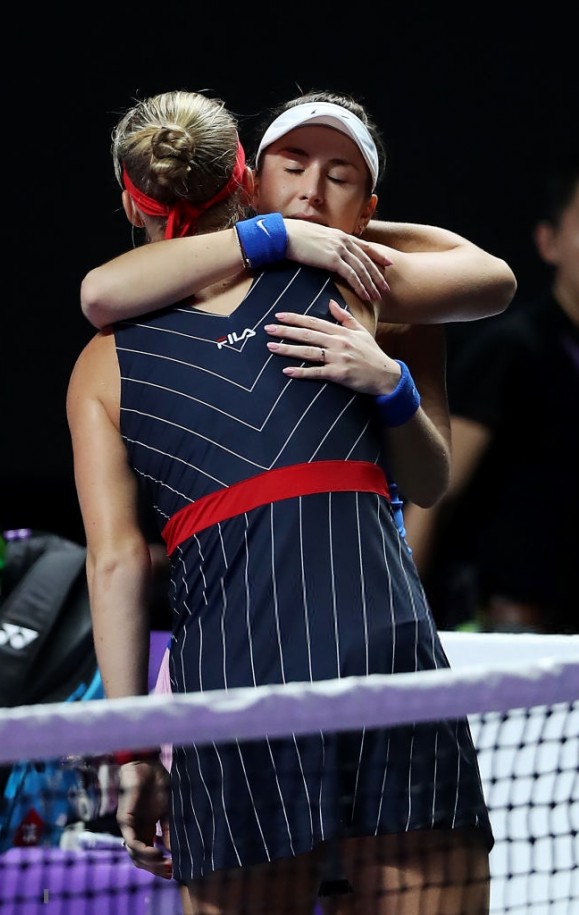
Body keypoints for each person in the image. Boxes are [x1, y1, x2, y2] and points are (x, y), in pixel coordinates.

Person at [68, 89, 516, 914]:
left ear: (132, 198)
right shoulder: (342, 277)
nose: (311, 187)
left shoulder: (102, 363)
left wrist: (129, 747)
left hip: (239, 692)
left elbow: (118, 560)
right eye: (292, 167)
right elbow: (490, 273)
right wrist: (291, 233)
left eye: (336, 174)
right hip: (379, 670)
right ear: (246, 176)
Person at [403, 151, 578, 636]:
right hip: (510, 628)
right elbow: (435, 489)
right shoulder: (511, 349)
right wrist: (400, 618)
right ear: (548, 242)